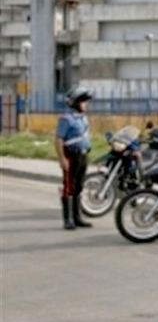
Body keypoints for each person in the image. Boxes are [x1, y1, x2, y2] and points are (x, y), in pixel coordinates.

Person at [55, 86, 94, 230]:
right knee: (68, 187)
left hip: (83, 154)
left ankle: (77, 217)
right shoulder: (66, 118)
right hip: (71, 155)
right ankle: (68, 219)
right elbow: (58, 139)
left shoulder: (83, 118)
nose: (86, 104)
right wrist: (62, 159)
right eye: (84, 101)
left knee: (79, 187)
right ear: (76, 103)